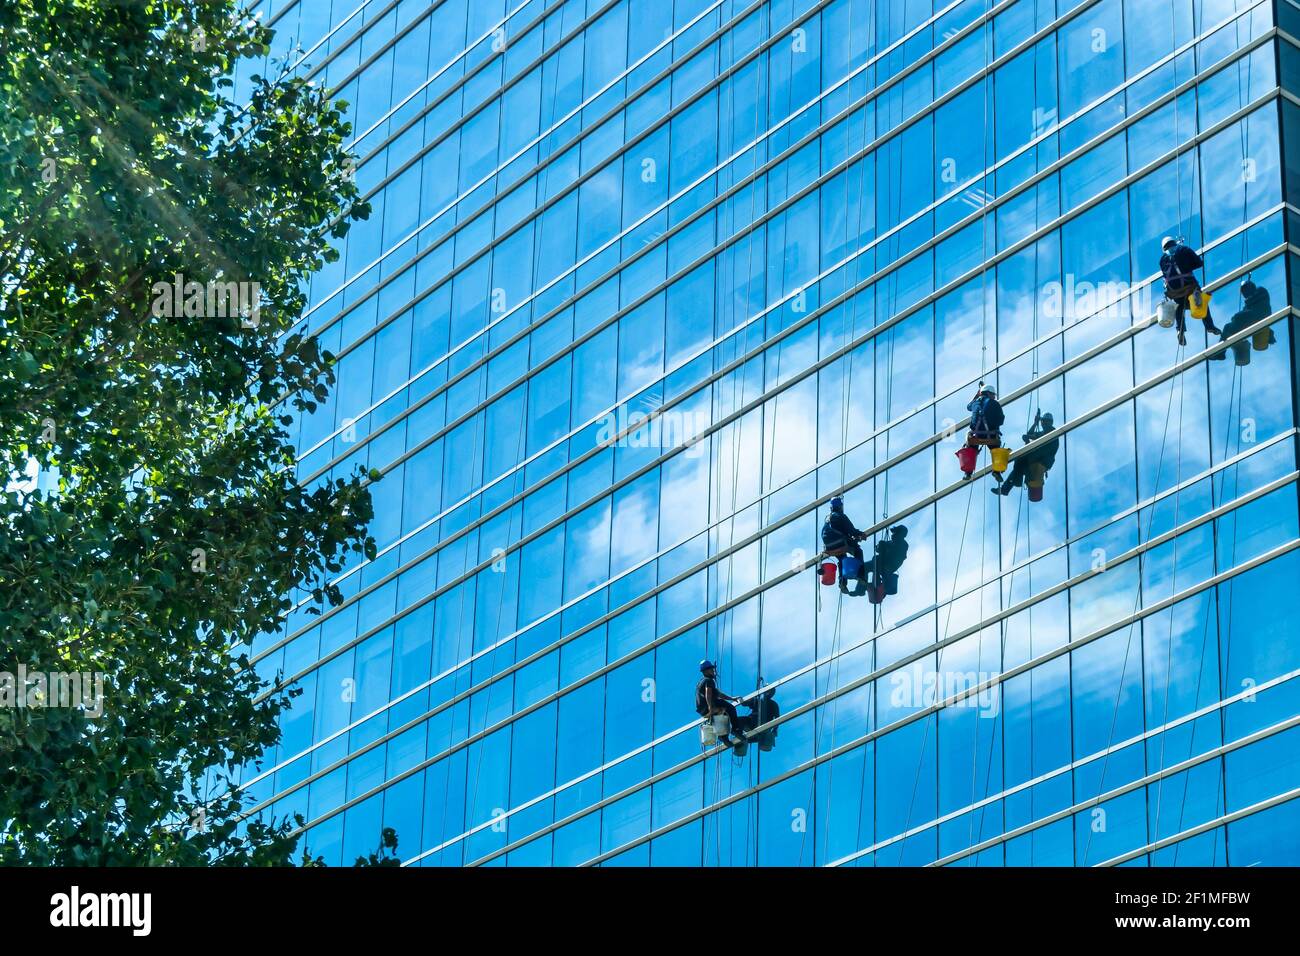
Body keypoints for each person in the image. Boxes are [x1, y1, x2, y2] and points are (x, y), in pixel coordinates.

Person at [1159, 237, 1222, 347]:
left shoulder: (1162, 260)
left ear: (1164, 248)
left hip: (1174, 291)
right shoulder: (1184, 250)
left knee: (1179, 306)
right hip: (1189, 286)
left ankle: (1180, 330)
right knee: (1201, 301)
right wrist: (1187, 265)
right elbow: (1199, 263)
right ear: (1174, 242)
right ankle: (1209, 326)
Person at [994, 412, 1060, 496]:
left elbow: (1038, 437)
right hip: (1037, 458)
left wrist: (1029, 437)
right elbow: (1029, 434)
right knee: (1019, 465)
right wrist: (1035, 424)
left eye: (1044, 421)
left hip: (1043, 459)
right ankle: (1005, 489)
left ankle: (1017, 481)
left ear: (1049, 422)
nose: (1043, 423)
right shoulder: (1042, 432)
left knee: (1020, 458)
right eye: (1043, 421)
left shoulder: (1052, 431)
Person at [1214, 280, 1274, 365]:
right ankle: (1221, 352)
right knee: (1228, 327)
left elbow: (1251, 304)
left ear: (1251, 287)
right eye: (1243, 292)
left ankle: (1233, 348)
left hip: (1260, 315)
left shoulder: (1261, 291)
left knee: (1237, 317)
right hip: (1254, 319)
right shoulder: (1247, 305)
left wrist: (1237, 317)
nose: (1244, 294)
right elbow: (1242, 314)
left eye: (1244, 291)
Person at [821, 496, 869, 595]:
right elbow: (851, 531)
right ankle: (860, 575)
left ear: (831, 508)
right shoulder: (841, 516)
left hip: (830, 546)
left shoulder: (827, 518)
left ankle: (842, 582)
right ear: (841, 507)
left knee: (842, 559)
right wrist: (860, 534)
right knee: (858, 552)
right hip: (841, 542)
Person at [695, 661, 744, 747]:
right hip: (708, 705)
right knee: (731, 708)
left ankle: (723, 737)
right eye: (711, 669)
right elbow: (708, 693)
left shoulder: (701, 682)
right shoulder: (708, 680)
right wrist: (710, 707)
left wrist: (731, 698)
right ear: (705, 671)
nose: (713, 671)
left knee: (721, 714)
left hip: (702, 710)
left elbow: (719, 694)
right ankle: (736, 730)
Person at [964, 385, 1006, 480]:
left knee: (971, 450)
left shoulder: (975, 403)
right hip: (990, 435)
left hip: (976, 435)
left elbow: (968, 406)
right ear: (988, 393)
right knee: (996, 450)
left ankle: (968, 473)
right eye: (993, 395)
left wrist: (977, 393)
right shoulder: (995, 404)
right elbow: (1001, 420)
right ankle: (997, 472)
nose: (994, 397)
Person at [865, 525, 908, 601]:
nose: (892, 535)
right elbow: (878, 549)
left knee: (876, 559)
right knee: (865, 566)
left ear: (900, 535)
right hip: (882, 563)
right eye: (893, 533)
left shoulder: (903, 544)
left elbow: (897, 554)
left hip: (890, 565)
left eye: (895, 533)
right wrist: (880, 546)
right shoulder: (891, 542)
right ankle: (862, 587)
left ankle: (877, 584)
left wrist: (884, 546)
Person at [736, 686, 780, 751]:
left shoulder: (773, 704)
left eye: (769, 691)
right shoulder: (758, 700)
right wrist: (741, 700)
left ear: (771, 694)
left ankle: (751, 739)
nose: (767, 693)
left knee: (760, 738)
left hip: (764, 726)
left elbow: (777, 718)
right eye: (766, 691)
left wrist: (774, 730)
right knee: (737, 721)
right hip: (751, 722)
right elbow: (746, 703)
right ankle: (740, 736)